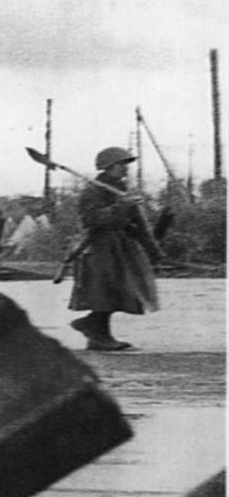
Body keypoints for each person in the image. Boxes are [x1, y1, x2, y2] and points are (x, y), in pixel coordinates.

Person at [67, 146, 160, 351]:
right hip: (99, 247)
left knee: (124, 291)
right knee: (105, 291)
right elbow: (92, 220)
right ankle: (98, 333)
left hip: (122, 246)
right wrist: (121, 206)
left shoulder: (123, 190)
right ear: (107, 167)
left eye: (126, 165)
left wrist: (153, 248)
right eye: (120, 165)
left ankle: (96, 332)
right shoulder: (93, 191)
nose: (124, 169)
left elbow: (139, 223)